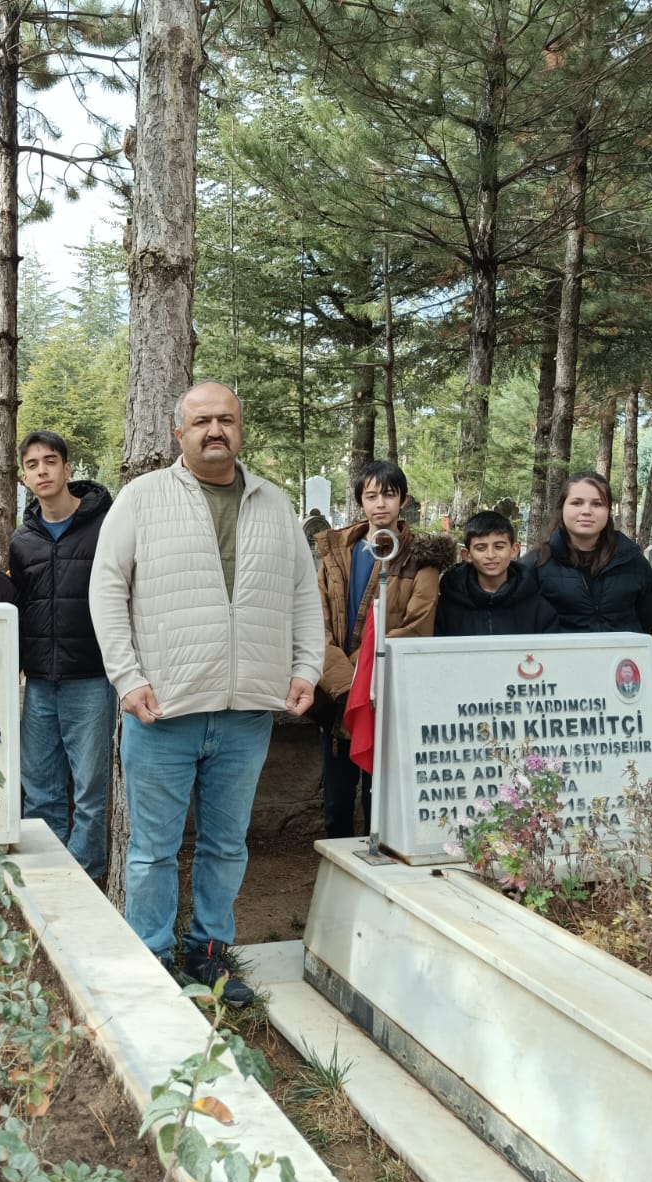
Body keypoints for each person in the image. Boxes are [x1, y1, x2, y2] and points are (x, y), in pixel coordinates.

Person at [90, 382, 322, 1007]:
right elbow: (107, 589)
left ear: (240, 428)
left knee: (226, 845)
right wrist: (127, 677)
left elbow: (303, 593)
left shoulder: (274, 503)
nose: (215, 430)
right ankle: (152, 959)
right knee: (152, 851)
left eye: (226, 419)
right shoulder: (142, 498)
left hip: (247, 712)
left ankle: (211, 954)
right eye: (201, 421)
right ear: (179, 433)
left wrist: (306, 666)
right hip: (163, 709)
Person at [315, 461, 453, 838]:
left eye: (389, 495)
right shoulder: (337, 553)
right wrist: (345, 683)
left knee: (380, 801)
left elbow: (417, 626)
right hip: (338, 697)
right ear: (360, 500)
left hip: (386, 694)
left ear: (403, 500)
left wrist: (365, 680)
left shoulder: (420, 558)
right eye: (371, 495)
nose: (380, 504)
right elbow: (316, 623)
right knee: (336, 805)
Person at [8, 431, 115, 882]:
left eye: (50, 461)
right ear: (24, 477)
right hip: (39, 682)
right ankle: (48, 880)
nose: (42, 471)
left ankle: (85, 880)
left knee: (90, 792)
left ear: (67, 469)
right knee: (40, 789)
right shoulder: (22, 540)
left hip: (91, 678)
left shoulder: (104, 526)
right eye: (32, 465)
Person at [536, 471, 652, 634]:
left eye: (597, 504)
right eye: (577, 503)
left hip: (619, 650)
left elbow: (648, 618)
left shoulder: (632, 560)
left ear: (608, 511)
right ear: (562, 508)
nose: (586, 511)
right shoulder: (537, 563)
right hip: (559, 650)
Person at [435, 510, 559, 637]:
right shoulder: (445, 610)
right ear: (467, 555)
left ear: (514, 550)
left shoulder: (539, 610)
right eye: (480, 548)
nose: (490, 555)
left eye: (499, 547)